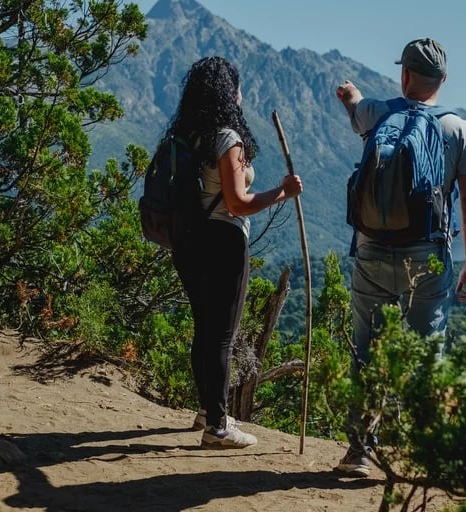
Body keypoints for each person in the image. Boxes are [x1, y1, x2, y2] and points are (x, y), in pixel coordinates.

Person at [334, 38, 466, 476]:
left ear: (404, 76)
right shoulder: (459, 130)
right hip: (428, 257)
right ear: (442, 80)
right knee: (427, 352)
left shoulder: (377, 114)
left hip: (370, 251)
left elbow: (355, 105)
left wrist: (349, 96)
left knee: (366, 350)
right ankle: (426, 452)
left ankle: (361, 450)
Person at [165, 56, 303, 449]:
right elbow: (238, 203)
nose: (242, 95)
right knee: (222, 335)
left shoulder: (187, 135)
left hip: (188, 241)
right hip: (223, 242)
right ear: (229, 93)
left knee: (204, 329)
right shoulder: (226, 138)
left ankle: (208, 411)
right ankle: (219, 426)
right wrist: (282, 191)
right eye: (238, 87)